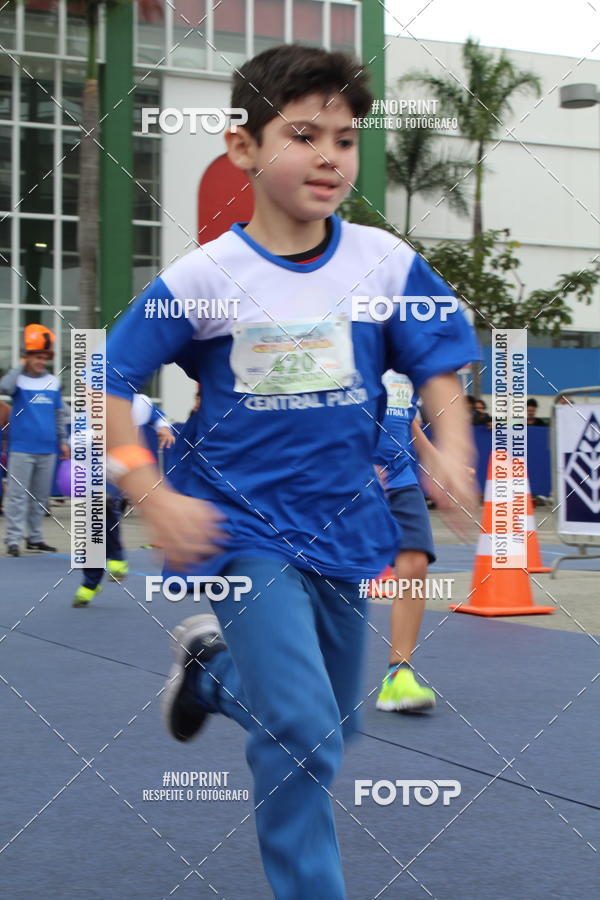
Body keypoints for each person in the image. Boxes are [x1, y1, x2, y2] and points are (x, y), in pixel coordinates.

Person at [104, 44, 479, 900]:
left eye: (344, 140)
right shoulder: (205, 278)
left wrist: (451, 451)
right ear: (242, 149)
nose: (328, 158)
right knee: (304, 730)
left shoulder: (383, 264)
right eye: (303, 135)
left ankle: (209, 673)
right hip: (240, 529)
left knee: (337, 731)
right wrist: (146, 489)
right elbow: (112, 384)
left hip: (346, 528)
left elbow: (440, 374)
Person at [373, 372, 440, 712]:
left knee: (414, 562)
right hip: (341, 472)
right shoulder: (351, 332)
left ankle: (398, 677)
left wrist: (432, 457)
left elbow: (408, 413)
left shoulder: (407, 352)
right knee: (324, 576)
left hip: (399, 477)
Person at [72, 393, 174, 607]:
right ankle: (92, 582)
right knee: (94, 529)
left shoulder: (141, 402)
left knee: (107, 513)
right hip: (93, 473)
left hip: (121, 471)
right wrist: (95, 435)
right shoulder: (93, 405)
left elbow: (159, 417)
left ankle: (114, 562)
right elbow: (75, 439)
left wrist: (164, 429)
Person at [0, 325, 69, 557]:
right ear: (27, 357)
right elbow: (4, 387)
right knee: (18, 496)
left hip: (48, 449)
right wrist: (20, 364)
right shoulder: (17, 381)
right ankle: (12, 539)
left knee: (40, 498)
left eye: (44, 357)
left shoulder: (53, 381)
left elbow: (59, 413)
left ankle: (35, 538)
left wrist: (63, 440)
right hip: (21, 448)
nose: (41, 361)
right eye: (37, 357)